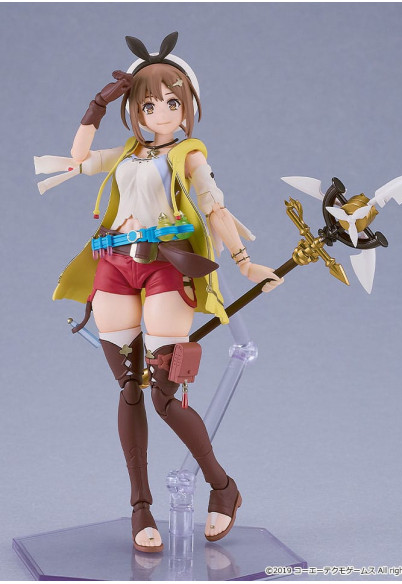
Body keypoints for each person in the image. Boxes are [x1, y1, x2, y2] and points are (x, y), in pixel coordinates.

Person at [35, 32, 283, 553]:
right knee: (129, 388)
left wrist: (244, 262)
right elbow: (77, 159)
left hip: (166, 265)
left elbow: (215, 208)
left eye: (173, 102)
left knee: (164, 396)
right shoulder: (127, 150)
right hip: (114, 265)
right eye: (149, 104)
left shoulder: (189, 154)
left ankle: (222, 485)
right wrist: (98, 103)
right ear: (136, 109)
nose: (162, 112)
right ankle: (140, 506)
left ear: (188, 106)